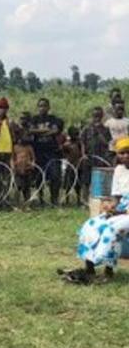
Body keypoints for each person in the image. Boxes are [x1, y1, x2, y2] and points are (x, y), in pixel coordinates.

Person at [63, 137, 129, 284]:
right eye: (122, 153)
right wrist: (110, 207)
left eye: (128, 152)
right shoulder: (119, 170)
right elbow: (116, 197)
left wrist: (119, 213)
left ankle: (108, 271)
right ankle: (89, 267)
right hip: (121, 210)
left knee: (112, 229)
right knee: (91, 225)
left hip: (126, 213)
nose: (125, 156)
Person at [30, 98, 64, 205]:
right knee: (38, 177)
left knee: (55, 176)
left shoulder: (54, 119)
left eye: (44, 106)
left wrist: (39, 132)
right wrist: (47, 131)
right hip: (38, 152)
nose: (42, 108)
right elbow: (30, 130)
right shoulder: (34, 119)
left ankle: (54, 199)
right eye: (40, 106)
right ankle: (40, 199)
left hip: (52, 152)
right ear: (37, 107)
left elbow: (56, 130)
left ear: (49, 107)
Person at [0, 97, 18, 207]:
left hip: (8, 153)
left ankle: (6, 200)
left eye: (5, 108)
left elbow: (14, 137)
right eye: (1, 108)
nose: (3, 111)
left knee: (7, 178)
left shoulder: (10, 121)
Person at [80, 107, 112, 194]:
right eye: (95, 115)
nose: (96, 118)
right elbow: (83, 142)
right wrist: (83, 154)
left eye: (98, 116)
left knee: (99, 179)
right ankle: (85, 198)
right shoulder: (86, 129)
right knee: (86, 180)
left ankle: (98, 196)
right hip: (88, 157)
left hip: (100, 158)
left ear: (102, 116)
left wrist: (99, 133)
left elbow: (107, 143)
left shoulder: (105, 129)